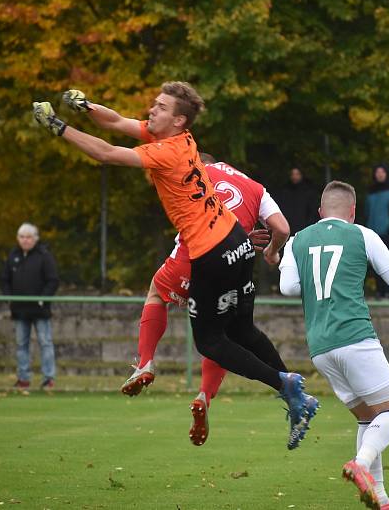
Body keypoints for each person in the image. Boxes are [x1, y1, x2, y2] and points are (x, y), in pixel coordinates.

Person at [32, 84, 318, 449]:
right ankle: (292, 398)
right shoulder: (184, 140)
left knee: (211, 342)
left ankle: (286, 385)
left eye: (161, 106)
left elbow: (105, 153)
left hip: (211, 254)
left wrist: (58, 126)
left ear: (178, 119)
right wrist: (85, 106)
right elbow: (116, 121)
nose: (152, 109)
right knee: (242, 331)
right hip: (238, 243)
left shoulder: (166, 152)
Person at [121, 151, 291, 446]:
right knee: (221, 335)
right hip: (235, 265)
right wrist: (271, 251)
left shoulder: (194, 174)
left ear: (200, 162)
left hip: (193, 259)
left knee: (156, 292)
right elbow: (282, 228)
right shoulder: (254, 187)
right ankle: (204, 396)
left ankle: (145, 362)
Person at [279, 181, 389, 510]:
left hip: (320, 346)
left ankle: (380, 498)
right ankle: (359, 464)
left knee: (367, 420)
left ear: (321, 212)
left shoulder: (297, 239)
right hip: (355, 337)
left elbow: (289, 289)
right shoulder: (362, 234)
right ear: (352, 212)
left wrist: (285, 260)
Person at [1, 223, 60, 390]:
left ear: (35, 238)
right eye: (22, 237)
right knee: (21, 344)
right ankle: (23, 379)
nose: (25, 240)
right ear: (17, 239)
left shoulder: (44, 256)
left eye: (28, 237)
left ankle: (48, 379)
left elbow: (53, 280)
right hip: (19, 310)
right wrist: (9, 298)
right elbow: (4, 280)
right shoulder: (13, 256)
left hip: (40, 310)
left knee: (45, 343)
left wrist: (43, 299)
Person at [364, 164, 389, 298]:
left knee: (388, 263)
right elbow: (367, 213)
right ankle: (379, 291)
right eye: (377, 172)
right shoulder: (370, 192)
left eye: (382, 172)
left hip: (388, 233)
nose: (379, 174)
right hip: (372, 233)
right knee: (375, 263)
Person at [275, 167, 319, 236]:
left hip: (304, 230)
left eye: (297, 174)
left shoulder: (308, 192)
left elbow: (313, 212)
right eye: (293, 174)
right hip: (288, 229)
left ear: (301, 175)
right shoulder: (284, 192)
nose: (295, 176)